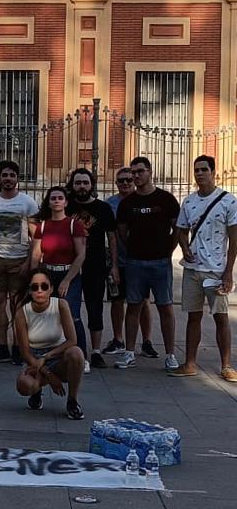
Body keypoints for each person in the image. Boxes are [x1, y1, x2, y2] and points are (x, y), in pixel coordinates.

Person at [172, 155, 237, 382]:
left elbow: (234, 239)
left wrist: (228, 272)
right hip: (192, 269)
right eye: (196, 170)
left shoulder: (228, 201)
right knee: (193, 316)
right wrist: (184, 246)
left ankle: (226, 365)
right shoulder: (189, 202)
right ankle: (190, 362)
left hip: (216, 270)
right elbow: (181, 230)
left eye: (204, 170)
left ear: (213, 172)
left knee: (220, 317)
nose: (199, 173)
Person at [114, 156, 180, 370]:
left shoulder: (166, 199)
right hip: (135, 263)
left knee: (166, 308)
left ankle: (170, 355)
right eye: (133, 172)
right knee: (133, 307)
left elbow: (177, 229)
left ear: (150, 171)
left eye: (140, 171)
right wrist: (135, 249)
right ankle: (129, 352)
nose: (136, 176)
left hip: (161, 263)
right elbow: (122, 233)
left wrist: (168, 250)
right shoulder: (127, 203)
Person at [0, 160, 38, 364]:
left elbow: (36, 235)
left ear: (17, 179)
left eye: (12, 175)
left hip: (19, 259)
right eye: (5, 175)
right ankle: (2, 347)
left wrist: (30, 261)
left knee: (18, 306)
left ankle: (19, 347)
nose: (8, 179)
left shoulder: (28, 202)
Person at [14, 266, 85, 420]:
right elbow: (25, 353)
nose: (40, 291)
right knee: (24, 385)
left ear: (51, 289)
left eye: (44, 286)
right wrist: (49, 375)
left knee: (76, 353)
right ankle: (36, 391)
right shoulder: (22, 313)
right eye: (35, 287)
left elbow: (72, 340)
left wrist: (47, 357)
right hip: (35, 359)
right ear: (29, 290)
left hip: (58, 355)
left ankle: (72, 401)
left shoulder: (61, 305)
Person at [67, 167, 119, 369]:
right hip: (69, 265)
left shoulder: (103, 208)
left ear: (91, 185)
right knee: (69, 308)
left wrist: (114, 265)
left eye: (85, 183)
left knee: (95, 307)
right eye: (78, 183)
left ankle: (96, 351)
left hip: (95, 265)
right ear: (72, 185)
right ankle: (72, 347)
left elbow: (112, 238)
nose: (81, 186)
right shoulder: (66, 205)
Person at [32, 186, 88, 361]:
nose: (56, 201)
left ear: (65, 202)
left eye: (60, 198)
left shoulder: (74, 225)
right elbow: (36, 253)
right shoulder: (42, 226)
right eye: (53, 198)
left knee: (72, 314)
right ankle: (50, 353)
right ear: (48, 202)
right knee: (47, 314)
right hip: (48, 274)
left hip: (68, 274)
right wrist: (34, 277)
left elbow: (81, 255)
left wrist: (67, 280)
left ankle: (81, 356)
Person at [104, 166, 153, 356]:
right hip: (116, 261)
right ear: (116, 183)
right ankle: (118, 339)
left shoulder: (142, 201)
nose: (125, 183)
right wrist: (112, 264)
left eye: (128, 180)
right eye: (121, 180)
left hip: (140, 261)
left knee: (143, 301)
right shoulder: (110, 204)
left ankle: (147, 341)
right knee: (117, 300)